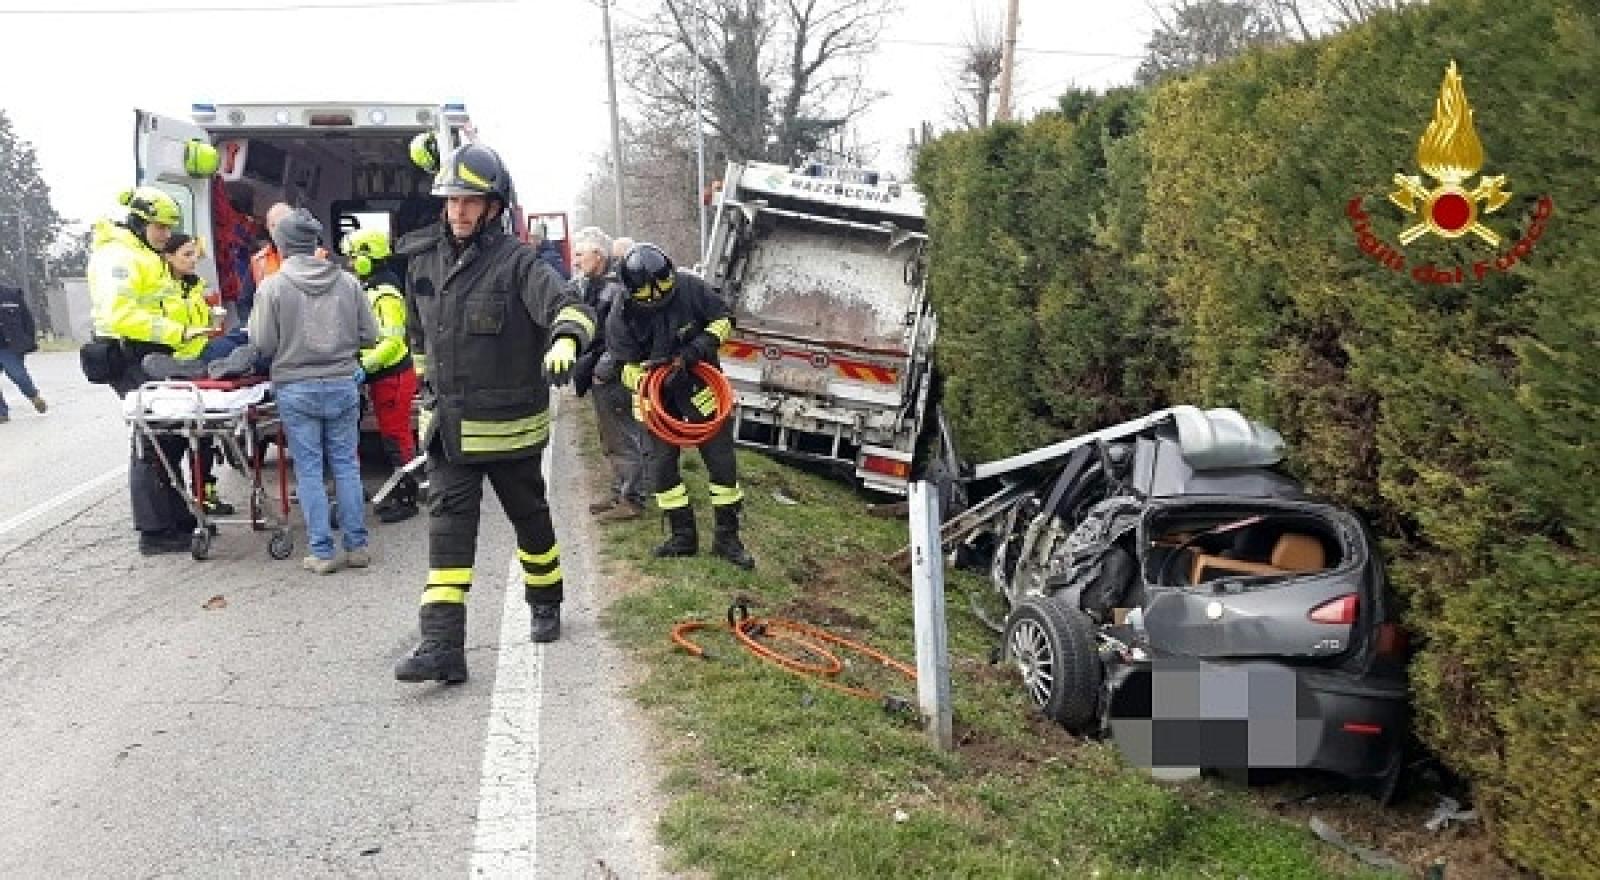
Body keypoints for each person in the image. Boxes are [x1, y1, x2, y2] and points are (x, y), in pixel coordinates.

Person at [393, 142, 595, 683]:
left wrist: (566, 341)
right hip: (450, 431)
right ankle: (442, 646)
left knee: (531, 522)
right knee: (447, 537)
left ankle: (545, 600)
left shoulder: (518, 263)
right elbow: (418, 335)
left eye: (470, 201)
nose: (458, 211)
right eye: (452, 200)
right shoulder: (423, 260)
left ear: (493, 207)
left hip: (509, 431)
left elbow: (571, 308)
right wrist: (424, 391)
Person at [607, 242, 754, 570]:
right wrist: (650, 379)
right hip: (655, 397)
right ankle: (682, 537)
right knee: (660, 466)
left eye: (663, 287)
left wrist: (696, 350)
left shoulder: (690, 287)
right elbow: (622, 366)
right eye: (647, 293)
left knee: (721, 463)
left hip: (701, 384)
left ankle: (728, 539)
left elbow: (724, 320)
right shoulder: (622, 312)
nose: (657, 296)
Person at [85, 187, 214, 554]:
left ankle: (176, 516)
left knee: (169, 435)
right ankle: (155, 530)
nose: (165, 234)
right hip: (129, 354)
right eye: (159, 227)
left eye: (168, 227)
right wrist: (177, 332)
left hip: (151, 352)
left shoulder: (145, 255)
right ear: (139, 221)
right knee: (153, 438)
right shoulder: (119, 257)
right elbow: (120, 315)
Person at [248, 208, 378, 574]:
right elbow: (370, 335)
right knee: (346, 466)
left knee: (309, 471)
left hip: (296, 387)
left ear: (282, 245)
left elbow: (262, 342)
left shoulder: (273, 286)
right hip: (342, 383)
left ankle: (322, 552)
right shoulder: (348, 283)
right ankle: (357, 547)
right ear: (314, 243)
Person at [341, 228, 421, 523]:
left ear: (367, 258)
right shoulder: (372, 289)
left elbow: (393, 342)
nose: (351, 264)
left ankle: (407, 498)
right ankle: (403, 491)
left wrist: (365, 366)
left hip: (392, 376)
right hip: (384, 376)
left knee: (396, 439)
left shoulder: (385, 295)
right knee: (394, 437)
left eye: (354, 258)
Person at [570, 226, 646, 521]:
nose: (575, 261)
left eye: (580, 254)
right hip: (607, 372)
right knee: (612, 436)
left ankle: (632, 499)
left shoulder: (614, 289)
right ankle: (620, 492)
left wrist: (602, 371)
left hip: (613, 375)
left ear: (598, 255)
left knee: (621, 437)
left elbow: (617, 338)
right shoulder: (601, 285)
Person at [157, 233, 235, 516]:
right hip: (179, 361)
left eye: (194, 255)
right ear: (169, 257)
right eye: (186, 255)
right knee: (182, 439)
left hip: (201, 356)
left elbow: (203, 328)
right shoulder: (161, 289)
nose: (193, 261)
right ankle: (183, 500)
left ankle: (204, 493)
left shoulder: (195, 287)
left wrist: (213, 323)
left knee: (204, 436)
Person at [0, 282, 46, 424]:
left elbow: (27, 319)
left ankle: (33, 396)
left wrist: (28, 341)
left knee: (18, 375)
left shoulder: (11, 294)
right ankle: (2, 413)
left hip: (8, 346)